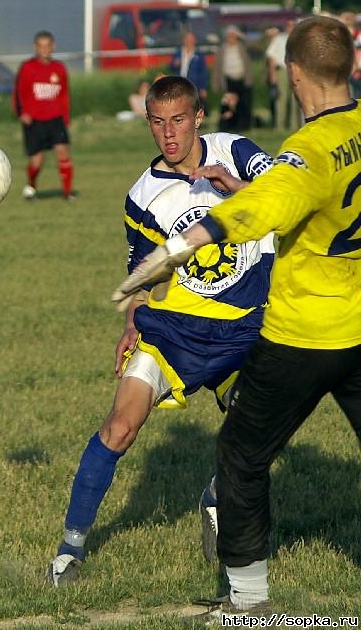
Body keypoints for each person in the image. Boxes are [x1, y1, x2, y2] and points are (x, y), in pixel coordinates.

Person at [111, 16, 361, 620]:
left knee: (242, 455)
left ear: (293, 73)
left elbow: (265, 206)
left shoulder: (308, 151)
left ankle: (248, 605)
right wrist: (240, 182)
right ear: (350, 68)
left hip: (302, 335)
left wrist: (182, 244)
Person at [46, 75, 275, 587]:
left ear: (198, 117)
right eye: (157, 122)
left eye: (178, 120)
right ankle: (69, 551)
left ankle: (218, 494)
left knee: (259, 431)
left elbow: (286, 191)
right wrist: (132, 321)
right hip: (175, 330)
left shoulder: (236, 151)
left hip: (250, 325)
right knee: (120, 427)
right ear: (147, 121)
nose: (168, 134)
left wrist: (236, 190)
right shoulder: (141, 195)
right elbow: (147, 269)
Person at [13, 30, 75, 201]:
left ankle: (67, 193)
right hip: (34, 120)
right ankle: (31, 184)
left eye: (47, 45)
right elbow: (18, 92)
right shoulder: (27, 67)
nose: (44, 49)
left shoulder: (59, 68)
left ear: (53, 46)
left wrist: (65, 117)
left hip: (55, 119)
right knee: (37, 161)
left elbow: (64, 94)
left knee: (63, 152)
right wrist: (22, 113)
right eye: (41, 46)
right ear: (35, 47)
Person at [212, 26, 253, 132]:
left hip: (242, 79)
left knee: (243, 104)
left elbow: (252, 44)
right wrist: (216, 84)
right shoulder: (222, 49)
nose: (231, 38)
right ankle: (230, 126)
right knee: (229, 105)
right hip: (229, 80)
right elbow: (217, 67)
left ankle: (244, 126)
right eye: (230, 36)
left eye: (234, 36)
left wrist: (241, 36)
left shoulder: (242, 46)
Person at [265, 19, 299, 131]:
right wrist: (272, 74)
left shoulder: (299, 39)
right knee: (281, 98)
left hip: (297, 70)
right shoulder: (279, 39)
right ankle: (280, 126)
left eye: (293, 25)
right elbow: (272, 57)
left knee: (296, 99)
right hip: (283, 70)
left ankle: (294, 125)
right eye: (289, 25)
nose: (291, 27)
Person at [169, 31, 209, 109]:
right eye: (187, 39)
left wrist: (203, 88)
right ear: (184, 40)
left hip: (193, 85)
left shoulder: (199, 55)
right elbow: (171, 67)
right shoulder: (178, 53)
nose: (189, 41)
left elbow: (203, 72)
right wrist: (174, 64)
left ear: (195, 41)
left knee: (192, 106)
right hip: (179, 85)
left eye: (191, 39)